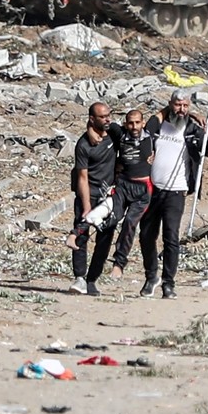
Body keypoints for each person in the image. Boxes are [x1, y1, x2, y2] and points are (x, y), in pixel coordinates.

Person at [139, 90, 208, 299]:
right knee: (146, 236)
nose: (181, 110)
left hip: (176, 192)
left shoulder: (193, 130)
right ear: (170, 105)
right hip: (153, 190)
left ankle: (169, 283)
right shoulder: (159, 127)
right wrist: (168, 111)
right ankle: (151, 276)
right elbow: (148, 125)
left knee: (171, 237)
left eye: (185, 106)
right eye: (177, 105)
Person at [65, 102, 119, 296]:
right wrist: (87, 205)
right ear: (92, 119)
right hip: (90, 192)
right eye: (102, 117)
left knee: (105, 238)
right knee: (81, 234)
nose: (107, 119)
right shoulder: (84, 144)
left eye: (108, 115)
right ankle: (79, 277)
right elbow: (82, 177)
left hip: (109, 196)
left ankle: (92, 280)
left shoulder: (113, 132)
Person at [108, 109, 155, 280]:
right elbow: (100, 123)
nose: (134, 126)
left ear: (143, 123)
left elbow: (165, 112)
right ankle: (99, 259)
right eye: (130, 123)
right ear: (125, 123)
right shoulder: (119, 134)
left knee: (129, 223)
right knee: (111, 218)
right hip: (123, 185)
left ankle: (119, 264)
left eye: (137, 122)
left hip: (143, 188)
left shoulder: (151, 135)